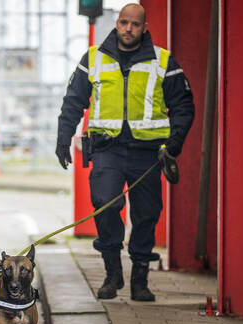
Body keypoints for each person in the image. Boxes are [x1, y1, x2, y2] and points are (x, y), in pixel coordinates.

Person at [55, 3, 194, 301]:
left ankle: (140, 281)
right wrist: (62, 138)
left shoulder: (162, 60)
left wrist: (175, 142)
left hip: (148, 153)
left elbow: (184, 105)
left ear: (144, 27)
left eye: (135, 24)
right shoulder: (93, 58)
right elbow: (73, 102)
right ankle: (112, 272)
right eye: (124, 23)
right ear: (116, 24)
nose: (129, 29)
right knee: (105, 204)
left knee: (146, 215)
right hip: (107, 150)